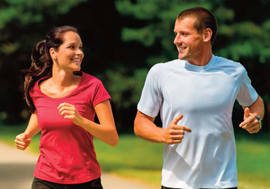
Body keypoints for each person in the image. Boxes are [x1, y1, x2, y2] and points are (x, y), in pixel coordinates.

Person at [134, 7, 264, 189]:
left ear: (206, 35)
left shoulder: (234, 72)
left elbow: (255, 102)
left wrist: (255, 118)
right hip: (177, 184)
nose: (176, 40)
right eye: (176, 34)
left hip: (223, 183)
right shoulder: (161, 73)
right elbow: (140, 123)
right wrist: (162, 134)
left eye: (184, 34)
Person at [14, 25, 119, 189]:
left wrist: (81, 121)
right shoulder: (37, 88)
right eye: (72, 47)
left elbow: (112, 138)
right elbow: (40, 113)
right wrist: (26, 134)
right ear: (53, 53)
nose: (79, 53)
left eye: (80, 48)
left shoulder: (93, 86)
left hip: (85, 180)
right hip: (45, 179)